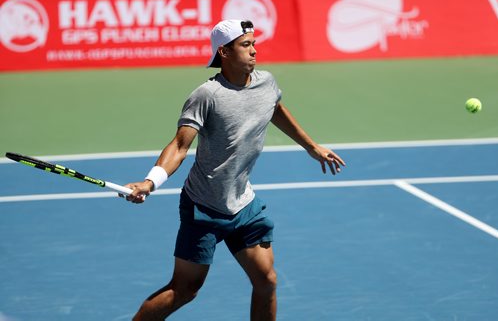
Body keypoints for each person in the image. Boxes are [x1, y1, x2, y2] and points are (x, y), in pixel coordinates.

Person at [125, 19, 346, 321]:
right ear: (224, 52)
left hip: (243, 205)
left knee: (266, 281)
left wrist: (311, 146)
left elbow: (275, 109)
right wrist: (151, 182)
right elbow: (179, 145)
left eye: (254, 44)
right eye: (246, 45)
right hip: (204, 207)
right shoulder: (207, 95)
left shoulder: (265, 82)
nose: (254, 51)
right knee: (185, 289)